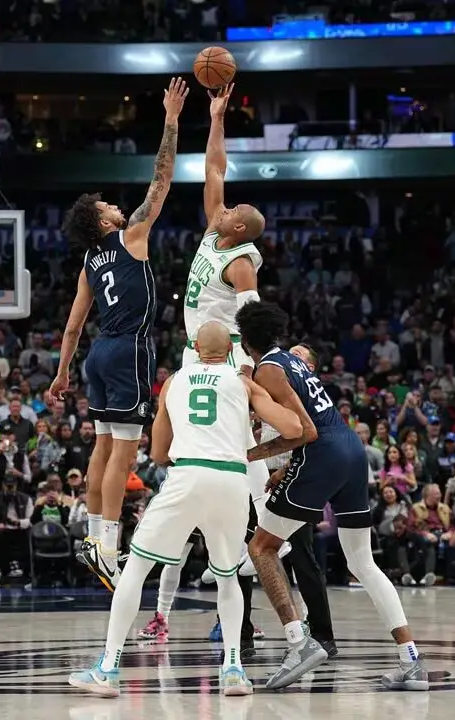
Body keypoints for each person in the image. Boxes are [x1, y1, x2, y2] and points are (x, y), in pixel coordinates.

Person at [68, 322, 304, 698]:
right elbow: (292, 426)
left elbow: (160, 454)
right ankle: (232, 670)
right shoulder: (242, 382)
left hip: (187, 475)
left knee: (137, 569)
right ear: (230, 351)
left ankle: (108, 668)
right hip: (231, 480)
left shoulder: (175, 382)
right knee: (228, 577)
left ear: (194, 347)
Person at [137, 83, 276, 647]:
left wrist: (254, 382)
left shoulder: (242, 261)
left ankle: (245, 600)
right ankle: (166, 613)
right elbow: (214, 169)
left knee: (248, 500)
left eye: (238, 210)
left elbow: (257, 324)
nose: (229, 204)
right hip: (197, 360)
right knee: (187, 493)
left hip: (226, 370)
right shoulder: (217, 228)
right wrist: (216, 117)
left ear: (240, 228)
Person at [236, 301, 428, 691]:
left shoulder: (269, 369)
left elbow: (304, 432)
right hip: (352, 452)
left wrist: (249, 455)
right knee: (363, 562)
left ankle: (299, 642)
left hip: (322, 454)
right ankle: (411, 660)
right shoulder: (294, 362)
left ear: (245, 342)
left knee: (261, 548)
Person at [49, 78, 188, 591]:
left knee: (103, 447)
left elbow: (71, 326)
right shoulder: (131, 237)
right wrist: (172, 118)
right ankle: (108, 546)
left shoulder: (88, 262)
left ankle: (92, 536)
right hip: (128, 348)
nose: (115, 204)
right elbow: (162, 179)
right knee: (123, 452)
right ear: (101, 220)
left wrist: (63, 372)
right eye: (107, 204)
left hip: (97, 354)